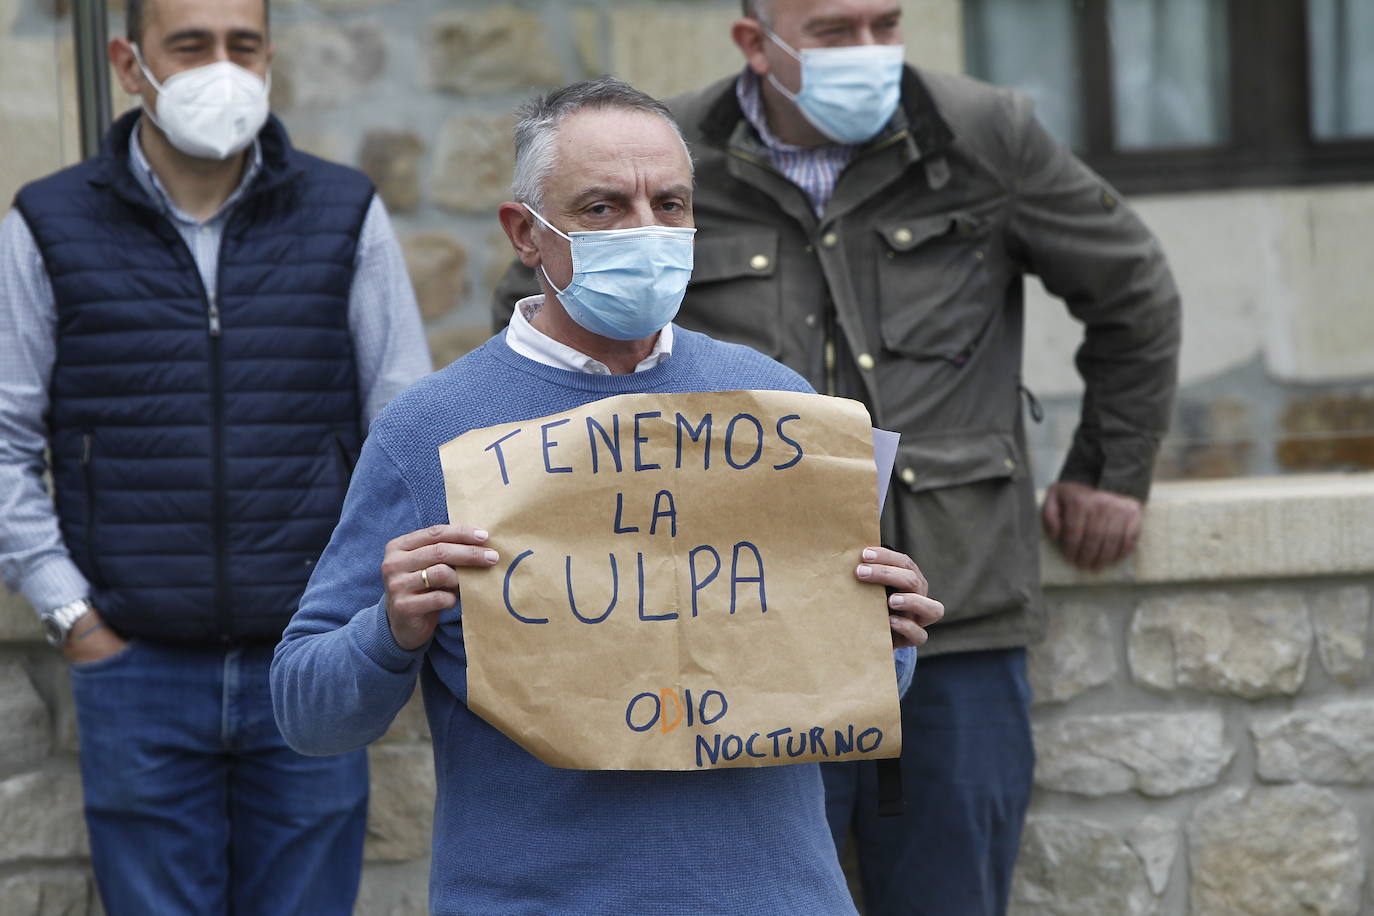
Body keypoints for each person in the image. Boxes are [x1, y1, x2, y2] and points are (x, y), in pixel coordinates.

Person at [487, 3, 1182, 914]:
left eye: (884, 23)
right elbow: (543, 317)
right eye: (834, 32)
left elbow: (1134, 290)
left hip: (954, 614)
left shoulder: (982, 135)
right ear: (755, 44)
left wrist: (1107, 468)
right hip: (742, 625)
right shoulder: (668, 160)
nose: (870, 53)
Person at [272, 77, 944, 915]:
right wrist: (389, 628)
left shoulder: (777, 406)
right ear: (526, 232)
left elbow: (830, 682)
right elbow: (307, 711)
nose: (646, 231)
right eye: (602, 208)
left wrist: (887, 634)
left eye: (669, 204)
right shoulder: (429, 433)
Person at [0, 0, 430, 911]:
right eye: (188, 45)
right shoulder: (48, 224)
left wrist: (355, 612)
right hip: (135, 667)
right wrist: (72, 617)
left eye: (243, 44)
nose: (220, 67)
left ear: (269, 56)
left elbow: (401, 427)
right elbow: (4, 441)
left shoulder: (343, 211)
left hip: (306, 667)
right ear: (129, 62)